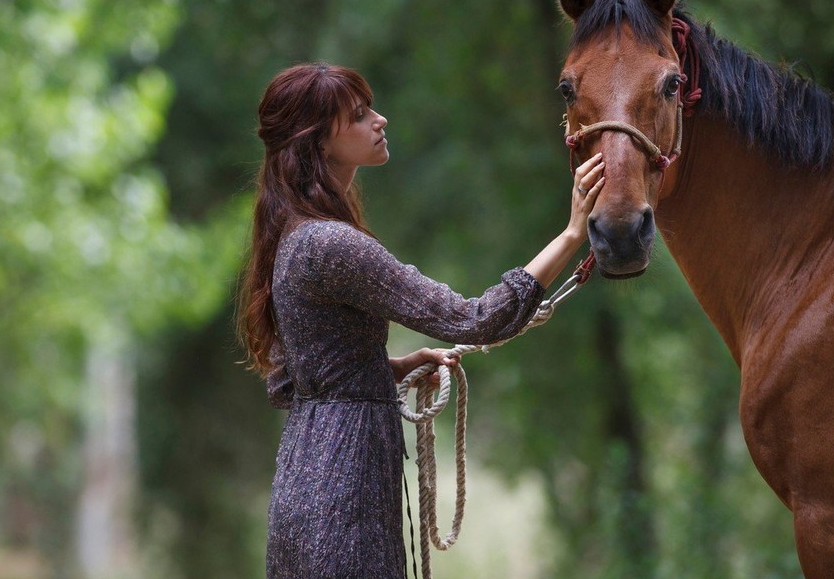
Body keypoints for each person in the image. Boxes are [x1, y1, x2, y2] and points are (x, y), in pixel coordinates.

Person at [238, 62, 604, 579]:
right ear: (318, 141)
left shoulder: (291, 234)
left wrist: (388, 367)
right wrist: (572, 234)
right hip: (345, 494)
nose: (380, 121)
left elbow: (288, 376)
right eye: (361, 116)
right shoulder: (331, 244)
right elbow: (475, 318)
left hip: (305, 487)